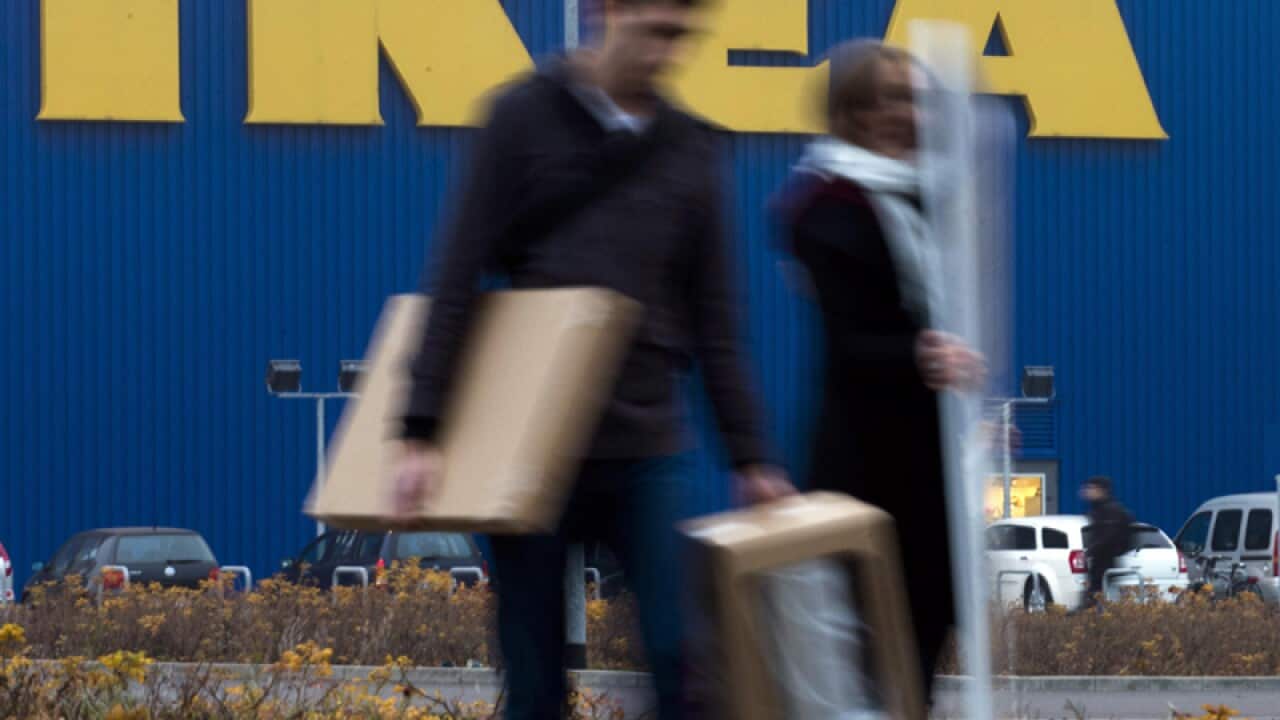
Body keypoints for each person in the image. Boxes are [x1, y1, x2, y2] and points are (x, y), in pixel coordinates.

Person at [390, 1, 793, 717]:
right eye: (655, 32)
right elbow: (455, 275)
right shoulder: (521, 119)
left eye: (682, 37)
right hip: (529, 447)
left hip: (643, 443)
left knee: (682, 658)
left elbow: (716, 319)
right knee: (537, 679)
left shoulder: (692, 149)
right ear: (611, 11)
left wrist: (753, 458)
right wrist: (421, 427)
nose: (669, 54)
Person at [773, 39, 985, 703]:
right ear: (853, 111)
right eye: (892, 99)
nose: (908, 113)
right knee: (862, 633)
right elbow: (848, 341)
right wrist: (922, 355)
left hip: (931, 456)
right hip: (863, 457)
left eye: (917, 100)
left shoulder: (935, 199)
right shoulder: (823, 206)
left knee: (928, 623)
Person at [1081, 475, 1135, 607]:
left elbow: (1107, 536)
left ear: (1101, 490)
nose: (1087, 491)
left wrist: (1091, 551)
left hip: (1106, 562)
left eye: (1091, 488)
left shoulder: (1109, 511)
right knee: (1095, 598)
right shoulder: (1098, 510)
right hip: (1100, 564)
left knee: (1098, 599)